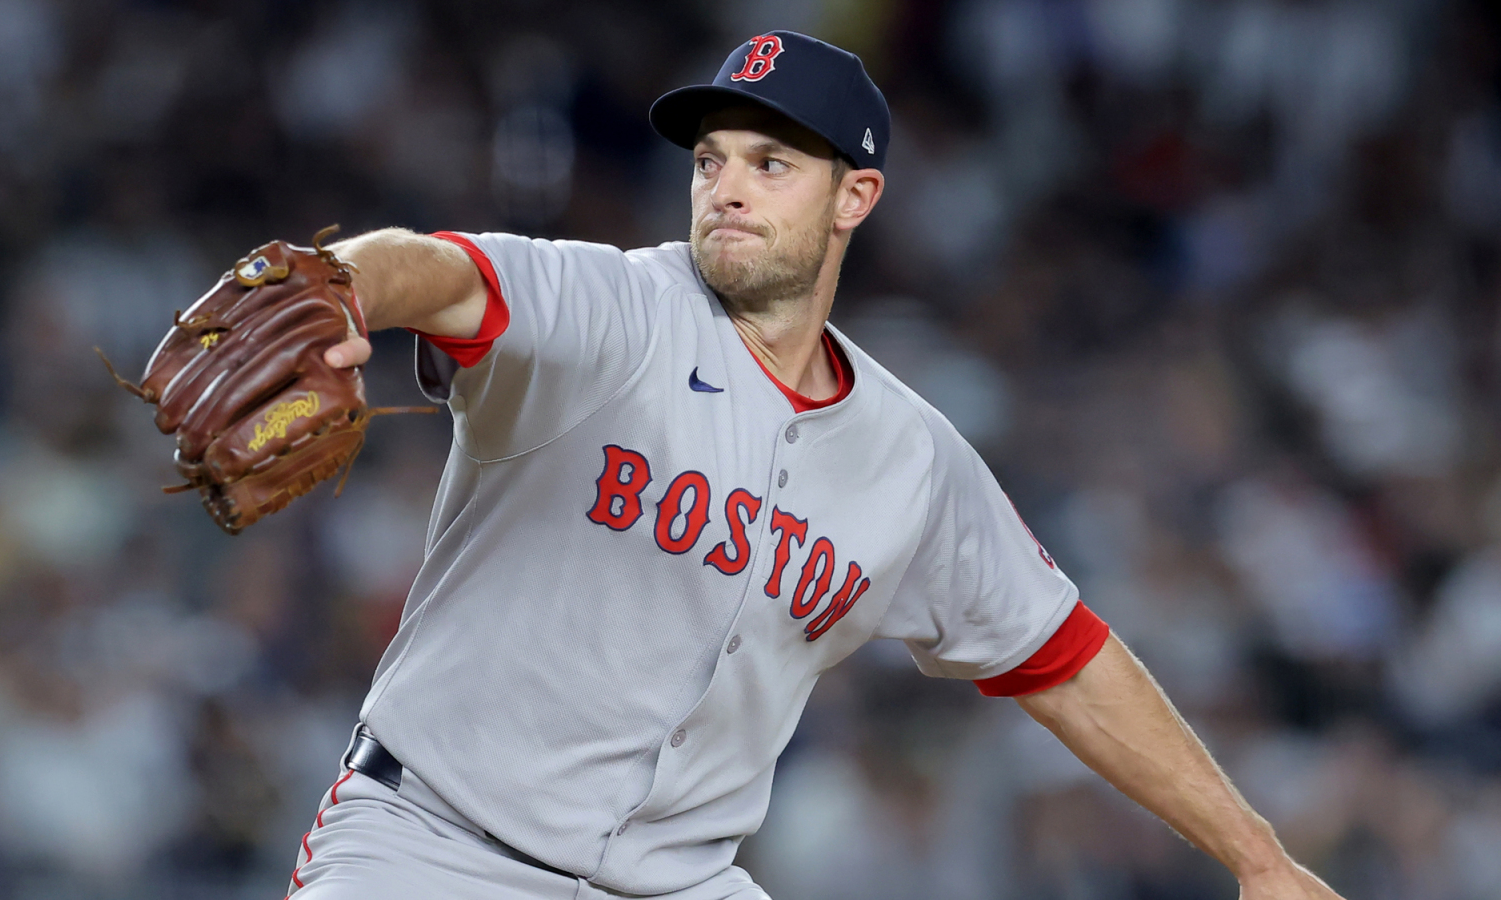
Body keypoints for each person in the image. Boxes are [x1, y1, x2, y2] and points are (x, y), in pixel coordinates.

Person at [290, 31, 1344, 900]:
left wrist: (1257, 859)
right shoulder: (615, 307)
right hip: (430, 847)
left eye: (771, 164)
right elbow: (439, 271)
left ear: (854, 197)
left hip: (676, 883)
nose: (727, 189)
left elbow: (1064, 658)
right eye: (710, 161)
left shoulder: (909, 457)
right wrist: (337, 290)